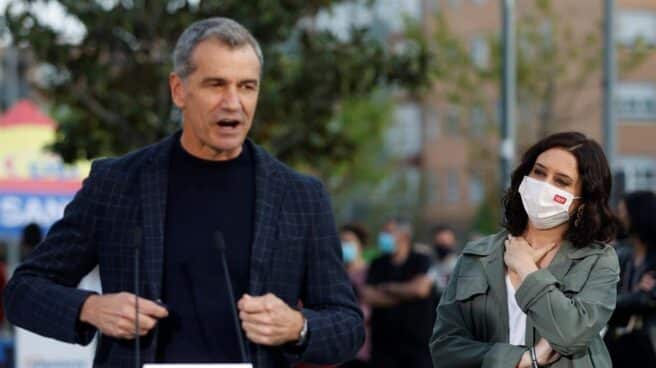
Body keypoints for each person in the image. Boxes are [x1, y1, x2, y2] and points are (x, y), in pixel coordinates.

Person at [3, 17, 363, 367]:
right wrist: (91, 308)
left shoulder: (300, 196)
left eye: (247, 86)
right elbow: (23, 291)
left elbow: (348, 326)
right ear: (179, 90)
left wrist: (297, 327)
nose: (233, 102)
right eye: (216, 85)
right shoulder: (115, 183)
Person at [430, 131, 619, 368]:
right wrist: (522, 359)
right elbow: (444, 348)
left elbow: (571, 335)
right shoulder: (477, 255)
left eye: (561, 181)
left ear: (581, 202)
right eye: (539, 172)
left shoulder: (598, 260)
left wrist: (526, 268)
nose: (544, 185)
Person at [362, 218, 434, 368]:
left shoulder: (421, 260)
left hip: (417, 345)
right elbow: (368, 295)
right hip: (383, 345)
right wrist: (407, 294)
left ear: (405, 236)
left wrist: (387, 287)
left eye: (388, 232)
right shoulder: (377, 263)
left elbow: (420, 290)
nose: (383, 237)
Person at [606, 190, 656, 366]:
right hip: (615, 345)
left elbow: (648, 300)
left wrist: (626, 299)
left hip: (646, 348)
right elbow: (602, 303)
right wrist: (636, 294)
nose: (620, 218)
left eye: (624, 213)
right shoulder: (622, 255)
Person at [340, 223, 371, 368]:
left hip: (363, 350)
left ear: (360, 245)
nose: (343, 245)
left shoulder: (371, 272)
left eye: (348, 241)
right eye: (341, 241)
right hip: (338, 348)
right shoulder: (335, 275)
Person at [427, 224, 459, 300]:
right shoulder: (429, 264)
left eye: (446, 241)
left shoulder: (459, 265)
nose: (443, 244)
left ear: (454, 242)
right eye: (440, 241)